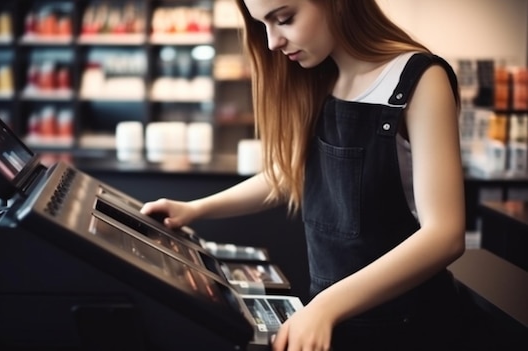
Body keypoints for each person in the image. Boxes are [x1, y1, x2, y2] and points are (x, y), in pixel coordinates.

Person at [141, 0, 475, 350]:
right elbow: (289, 173)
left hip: (411, 330)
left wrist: (327, 307)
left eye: (284, 19)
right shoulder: (320, 77)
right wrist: (195, 209)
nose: (272, 42)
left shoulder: (420, 79)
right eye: (263, 26)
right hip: (337, 325)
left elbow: (445, 235)